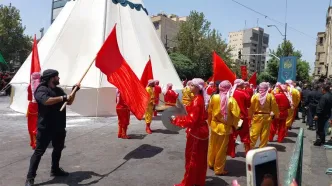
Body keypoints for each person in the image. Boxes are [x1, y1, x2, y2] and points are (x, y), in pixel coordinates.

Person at [25, 69, 80, 186]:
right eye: (57, 77)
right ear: (51, 78)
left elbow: (69, 101)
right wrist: (62, 98)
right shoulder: (41, 89)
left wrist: (74, 91)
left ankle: (55, 169)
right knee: (39, 152)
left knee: (58, 149)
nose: (59, 78)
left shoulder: (58, 90)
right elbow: (46, 101)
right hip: (46, 127)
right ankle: (30, 177)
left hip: (59, 126)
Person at [171, 78, 209, 186]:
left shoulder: (197, 100)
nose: (189, 87)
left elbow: (192, 120)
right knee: (200, 159)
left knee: (192, 159)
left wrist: (176, 120)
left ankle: (188, 183)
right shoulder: (200, 98)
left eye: (192, 85)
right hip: (202, 131)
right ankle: (197, 181)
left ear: (198, 88)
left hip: (196, 133)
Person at [207, 80, 240, 175]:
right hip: (225, 128)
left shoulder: (214, 97)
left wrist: (210, 122)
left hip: (214, 125)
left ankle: (211, 163)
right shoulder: (231, 100)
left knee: (212, 145)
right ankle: (219, 169)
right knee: (222, 149)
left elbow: (209, 111)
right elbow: (236, 115)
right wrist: (234, 125)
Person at [249, 82, 279, 149]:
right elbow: (275, 107)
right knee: (265, 134)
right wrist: (276, 115)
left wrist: (250, 116)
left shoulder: (255, 96)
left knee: (254, 133)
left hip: (256, 117)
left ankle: (250, 147)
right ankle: (262, 148)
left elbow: (251, 107)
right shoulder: (270, 96)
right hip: (267, 117)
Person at [228, 79, 251, 157]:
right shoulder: (244, 93)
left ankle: (232, 153)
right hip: (241, 118)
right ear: (241, 85)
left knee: (233, 135)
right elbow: (248, 105)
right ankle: (247, 153)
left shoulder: (230, 92)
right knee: (245, 135)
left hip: (232, 118)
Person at [26, 72, 41, 150]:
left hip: (32, 106)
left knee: (31, 125)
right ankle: (39, 142)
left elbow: (29, 98)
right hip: (40, 106)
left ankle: (33, 142)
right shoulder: (42, 86)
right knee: (39, 124)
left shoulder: (29, 86)